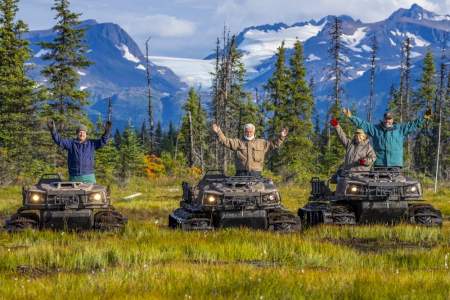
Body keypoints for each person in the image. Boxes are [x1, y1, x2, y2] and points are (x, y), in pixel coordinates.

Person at [342, 108, 432, 168]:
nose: (387, 121)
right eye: (386, 118)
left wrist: (424, 118)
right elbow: (363, 124)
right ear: (383, 119)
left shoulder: (400, 129)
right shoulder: (375, 129)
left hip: (395, 165)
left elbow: (413, 124)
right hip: (380, 165)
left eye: (389, 119)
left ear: (392, 120)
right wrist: (351, 117)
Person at [47, 120, 112, 183]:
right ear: (77, 133)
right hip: (74, 177)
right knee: (72, 194)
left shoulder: (91, 143)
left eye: (84, 132)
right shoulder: (71, 144)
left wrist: (107, 131)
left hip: (88, 176)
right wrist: (53, 130)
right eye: (80, 132)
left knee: (93, 193)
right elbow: (59, 140)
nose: (82, 134)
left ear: (86, 134)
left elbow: (103, 141)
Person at [212, 123, 288, 176]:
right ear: (244, 132)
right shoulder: (238, 142)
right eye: (247, 131)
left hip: (256, 174)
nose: (248, 133)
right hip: (240, 174)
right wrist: (218, 132)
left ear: (254, 132)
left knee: (257, 195)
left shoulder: (261, 143)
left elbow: (274, 144)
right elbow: (226, 141)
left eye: (250, 132)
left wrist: (281, 137)